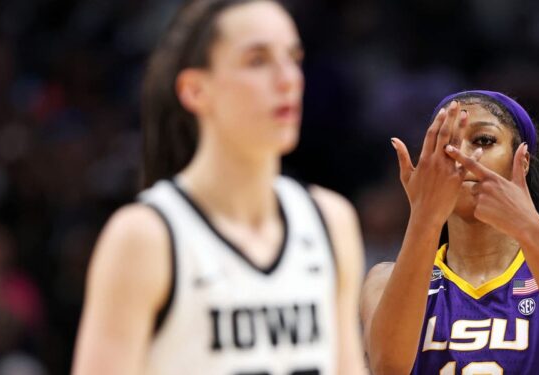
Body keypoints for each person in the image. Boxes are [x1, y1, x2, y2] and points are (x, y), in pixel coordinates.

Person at [72, 1, 366, 374]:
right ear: (195, 90)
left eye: (293, 58)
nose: (288, 79)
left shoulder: (331, 221)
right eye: (257, 61)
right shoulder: (144, 238)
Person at [361, 90, 539, 374]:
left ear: (522, 161)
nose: (461, 155)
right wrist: (424, 218)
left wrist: (531, 232)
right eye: (447, 144)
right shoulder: (383, 281)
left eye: (483, 140)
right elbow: (388, 369)